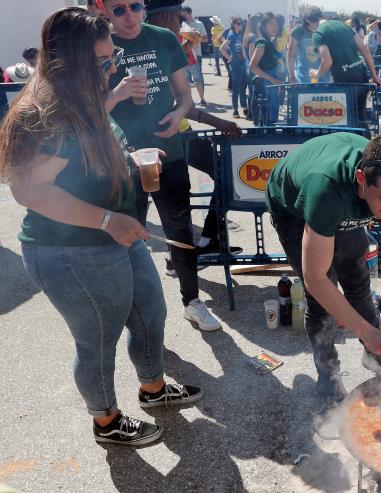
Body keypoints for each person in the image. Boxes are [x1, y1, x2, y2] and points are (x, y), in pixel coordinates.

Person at [0, 7, 203, 446]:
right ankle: (106, 421)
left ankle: (152, 389)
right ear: (70, 63)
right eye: (105, 62)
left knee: (150, 310)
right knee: (98, 340)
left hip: (113, 234)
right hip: (71, 249)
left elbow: (88, 155)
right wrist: (107, 219)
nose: (114, 68)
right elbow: (30, 191)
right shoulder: (49, 113)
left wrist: (128, 161)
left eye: (113, 60)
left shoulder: (85, 98)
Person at [266, 132, 381, 403]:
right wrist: (366, 331)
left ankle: (377, 358)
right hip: (294, 210)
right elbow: (315, 279)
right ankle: (328, 376)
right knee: (321, 301)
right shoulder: (325, 189)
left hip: (347, 203)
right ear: (362, 180)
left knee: (357, 280)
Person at [101, 0, 222, 331]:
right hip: (121, 159)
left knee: (179, 229)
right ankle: (139, 315)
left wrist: (177, 114)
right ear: (103, 9)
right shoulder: (97, 45)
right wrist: (119, 93)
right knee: (131, 236)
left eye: (135, 6)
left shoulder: (164, 39)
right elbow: (87, 113)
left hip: (168, 152)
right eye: (119, 10)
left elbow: (184, 95)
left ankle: (192, 302)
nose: (130, 16)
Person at [146, 1, 244, 256]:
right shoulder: (155, 44)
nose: (182, 23)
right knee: (221, 177)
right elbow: (179, 103)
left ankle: (206, 241)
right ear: (167, 17)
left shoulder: (163, 42)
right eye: (179, 18)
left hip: (182, 132)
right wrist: (219, 122)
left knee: (220, 176)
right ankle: (191, 249)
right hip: (174, 135)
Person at [309, 19, 381, 125]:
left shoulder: (318, 33)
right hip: (361, 76)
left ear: (312, 22)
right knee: (360, 117)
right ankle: (363, 139)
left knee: (344, 119)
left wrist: (317, 74)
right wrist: (374, 76)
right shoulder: (344, 26)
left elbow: (327, 62)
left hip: (344, 82)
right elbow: (364, 49)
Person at [249, 13, 283, 125]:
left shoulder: (269, 41)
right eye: (271, 24)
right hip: (265, 86)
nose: (275, 27)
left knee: (270, 120)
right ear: (263, 26)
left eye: (276, 24)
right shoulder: (262, 42)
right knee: (267, 122)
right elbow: (252, 66)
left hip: (269, 86)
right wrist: (273, 80)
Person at [288, 7, 327, 84]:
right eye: (315, 21)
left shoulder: (323, 30)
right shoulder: (298, 31)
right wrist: (292, 77)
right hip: (304, 76)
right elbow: (290, 55)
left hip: (323, 76)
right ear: (308, 21)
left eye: (319, 20)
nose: (318, 23)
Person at [220, 16, 248, 118]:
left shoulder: (243, 34)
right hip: (235, 63)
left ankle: (245, 107)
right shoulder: (231, 35)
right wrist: (229, 58)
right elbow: (222, 48)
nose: (240, 25)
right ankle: (235, 109)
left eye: (241, 23)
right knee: (236, 88)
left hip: (243, 62)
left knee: (243, 87)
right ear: (234, 25)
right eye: (238, 23)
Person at [182, 6, 207, 105]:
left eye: (185, 15)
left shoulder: (199, 24)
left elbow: (206, 39)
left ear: (190, 13)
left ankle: (202, 99)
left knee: (198, 78)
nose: (183, 17)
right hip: (184, 55)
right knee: (187, 80)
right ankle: (190, 100)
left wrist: (195, 37)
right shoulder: (181, 25)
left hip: (197, 54)